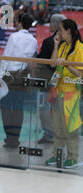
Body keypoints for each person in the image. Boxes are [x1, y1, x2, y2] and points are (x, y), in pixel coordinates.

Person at [0, 13, 37, 149]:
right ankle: (15, 138)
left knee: (6, 107)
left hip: (10, 76)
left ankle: (9, 137)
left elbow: (6, 57)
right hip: (23, 76)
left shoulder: (14, 37)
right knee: (19, 107)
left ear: (19, 22)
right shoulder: (34, 40)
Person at [45, 19, 83, 169]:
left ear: (68, 31)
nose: (58, 33)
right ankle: (57, 154)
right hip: (58, 91)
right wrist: (55, 44)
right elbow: (52, 63)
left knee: (71, 127)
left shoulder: (80, 49)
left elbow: (80, 74)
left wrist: (67, 64)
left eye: (60, 30)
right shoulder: (62, 46)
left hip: (71, 93)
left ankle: (73, 157)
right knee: (57, 126)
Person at [35, 13, 66, 144]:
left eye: (51, 22)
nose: (49, 25)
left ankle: (49, 134)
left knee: (45, 107)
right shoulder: (70, 42)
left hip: (50, 80)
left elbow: (43, 62)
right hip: (61, 81)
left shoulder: (49, 42)